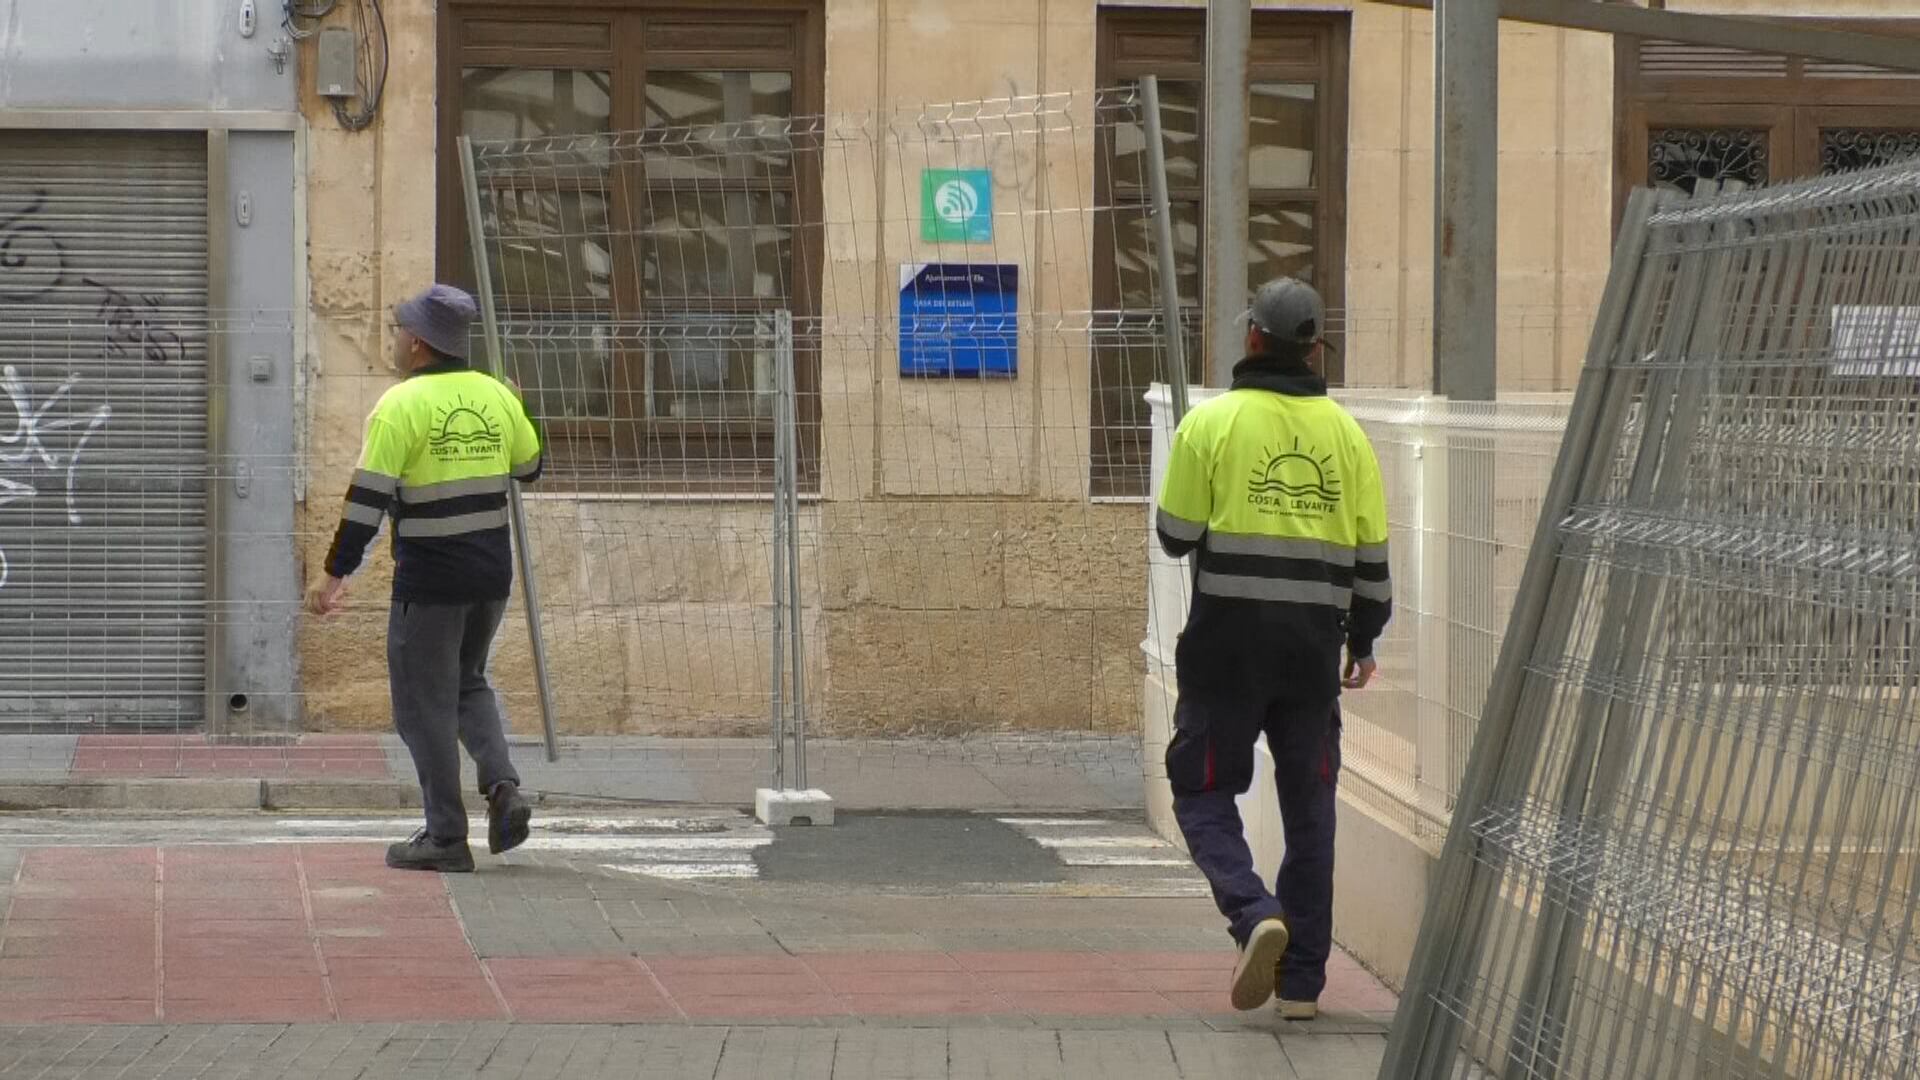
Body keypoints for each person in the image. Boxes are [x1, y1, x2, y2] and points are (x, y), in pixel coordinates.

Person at [1155, 277, 1392, 1018]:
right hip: (1312, 656)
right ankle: (1301, 988)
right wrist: (1365, 638)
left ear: (1252, 337)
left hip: (1226, 649)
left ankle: (1253, 911)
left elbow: (1174, 536)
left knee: (1200, 790)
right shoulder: (1349, 437)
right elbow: (1372, 564)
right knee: (1310, 809)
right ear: (1315, 349)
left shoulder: (1213, 424)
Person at [305, 283, 545, 873]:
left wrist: (334, 573)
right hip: (491, 574)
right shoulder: (495, 395)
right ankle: (503, 787)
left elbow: (366, 501)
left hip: (432, 581)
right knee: (466, 683)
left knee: (422, 706)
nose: (395, 339)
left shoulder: (400, 405)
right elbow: (531, 468)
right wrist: (519, 405)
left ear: (418, 343)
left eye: (399, 331)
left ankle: (445, 837)